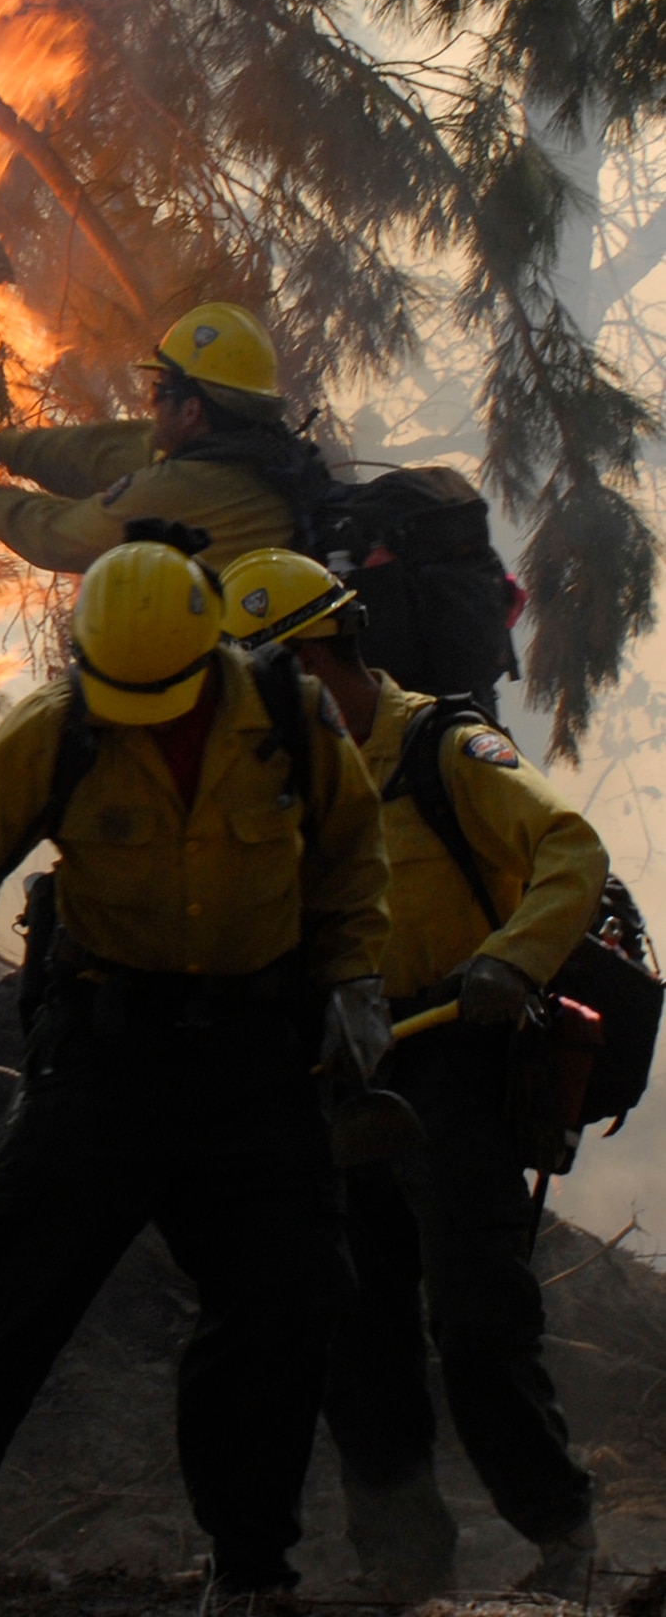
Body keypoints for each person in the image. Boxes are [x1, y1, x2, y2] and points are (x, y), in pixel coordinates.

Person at [0, 534, 392, 1613]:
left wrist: (355, 974)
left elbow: (353, 851)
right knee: (1, 1303)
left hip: (254, 1061)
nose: (149, 719)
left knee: (280, 1304)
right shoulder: (59, 728)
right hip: (105, 1056)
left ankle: (251, 1570)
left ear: (208, 651)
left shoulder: (287, 720)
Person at [217, 547, 610, 1601]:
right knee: (356, 1323)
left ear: (310, 655)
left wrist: (508, 959)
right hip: (339, 1066)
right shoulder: (274, 775)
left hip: (455, 1050)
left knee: (477, 1313)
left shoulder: (444, 742)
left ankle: (559, 1533)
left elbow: (570, 849)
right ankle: (399, 1552)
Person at [0, 301, 329, 573]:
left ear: (191, 411)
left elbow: (65, 536)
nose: (151, 404)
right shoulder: (252, 454)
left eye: (159, 391)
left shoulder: (181, 490)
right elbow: (97, 455)